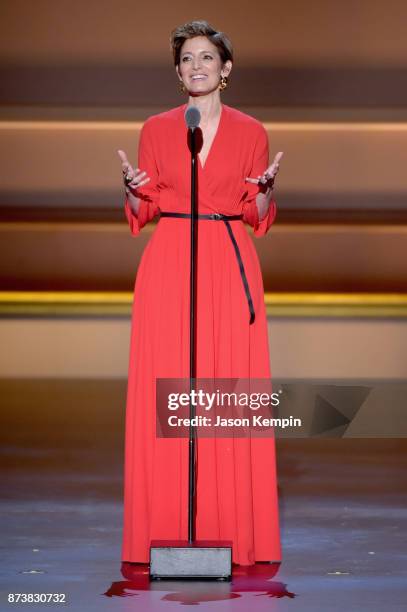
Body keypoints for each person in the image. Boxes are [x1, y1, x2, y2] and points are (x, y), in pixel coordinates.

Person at [117, 19, 283, 566]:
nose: (197, 67)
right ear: (178, 72)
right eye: (187, 59)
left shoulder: (252, 131)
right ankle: (166, 525)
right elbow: (143, 212)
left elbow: (258, 216)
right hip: (169, 263)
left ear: (226, 68)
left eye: (206, 57)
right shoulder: (157, 128)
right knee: (168, 391)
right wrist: (134, 189)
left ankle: (230, 527)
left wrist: (264, 192)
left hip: (228, 260)